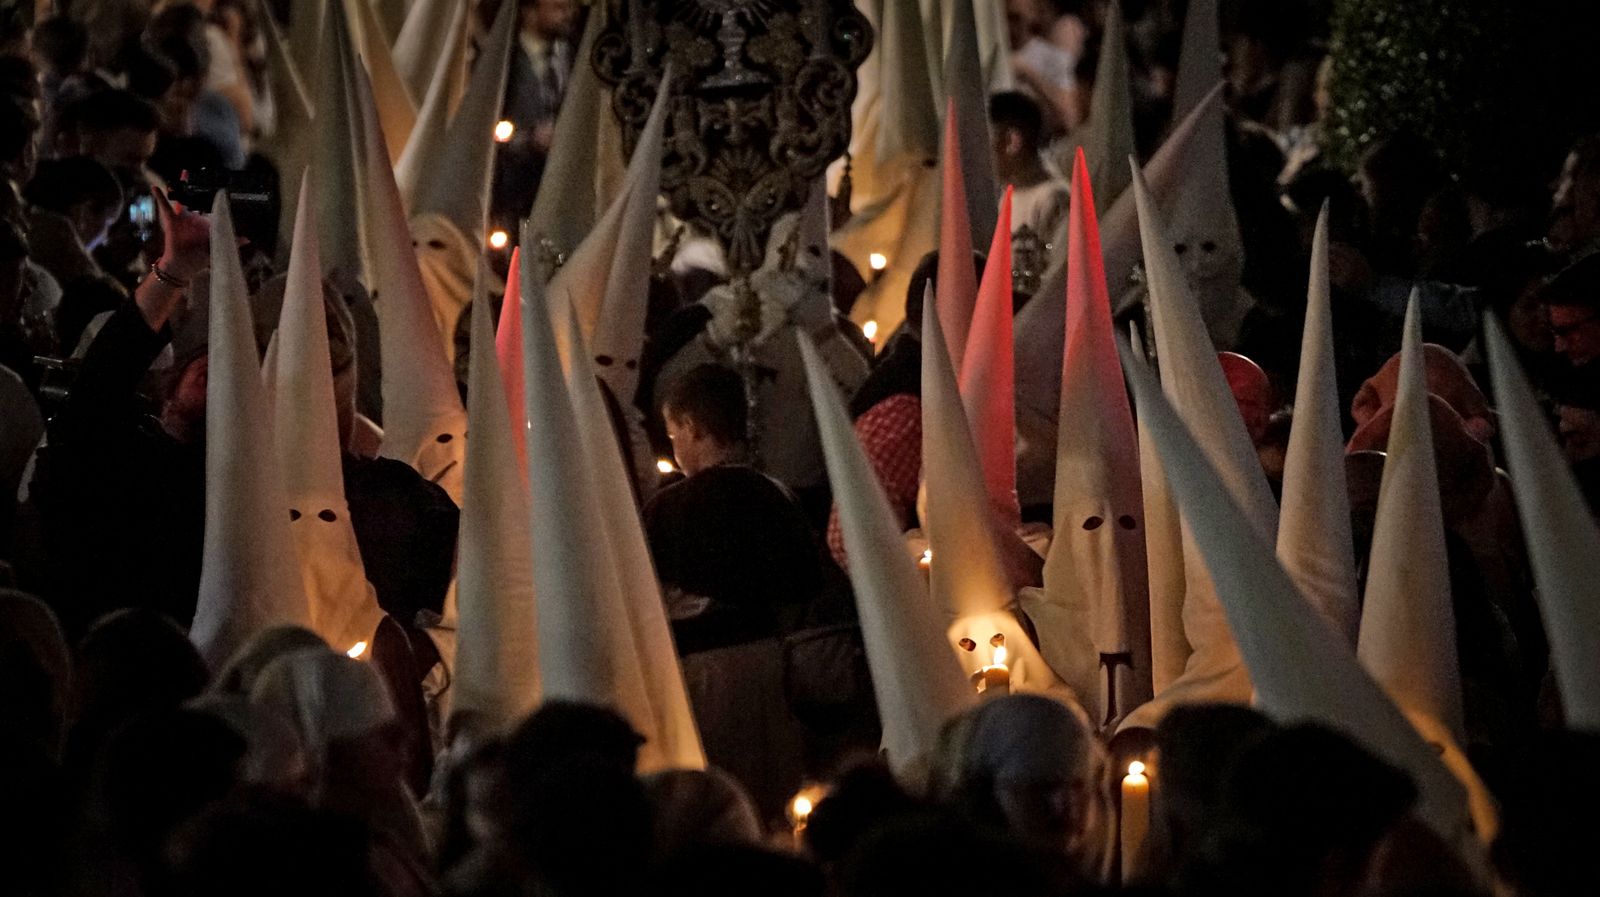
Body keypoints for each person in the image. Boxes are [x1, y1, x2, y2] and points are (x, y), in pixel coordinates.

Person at [493, 0, 578, 223]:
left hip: (558, 179)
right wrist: (529, 138)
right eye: (558, 8)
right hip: (514, 182)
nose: (567, 15)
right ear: (531, 12)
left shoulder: (569, 56)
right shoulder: (504, 59)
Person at [990, 91, 1069, 299]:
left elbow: (1062, 274)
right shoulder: (1007, 195)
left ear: (1011, 142)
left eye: (988, 139)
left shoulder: (1055, 197)